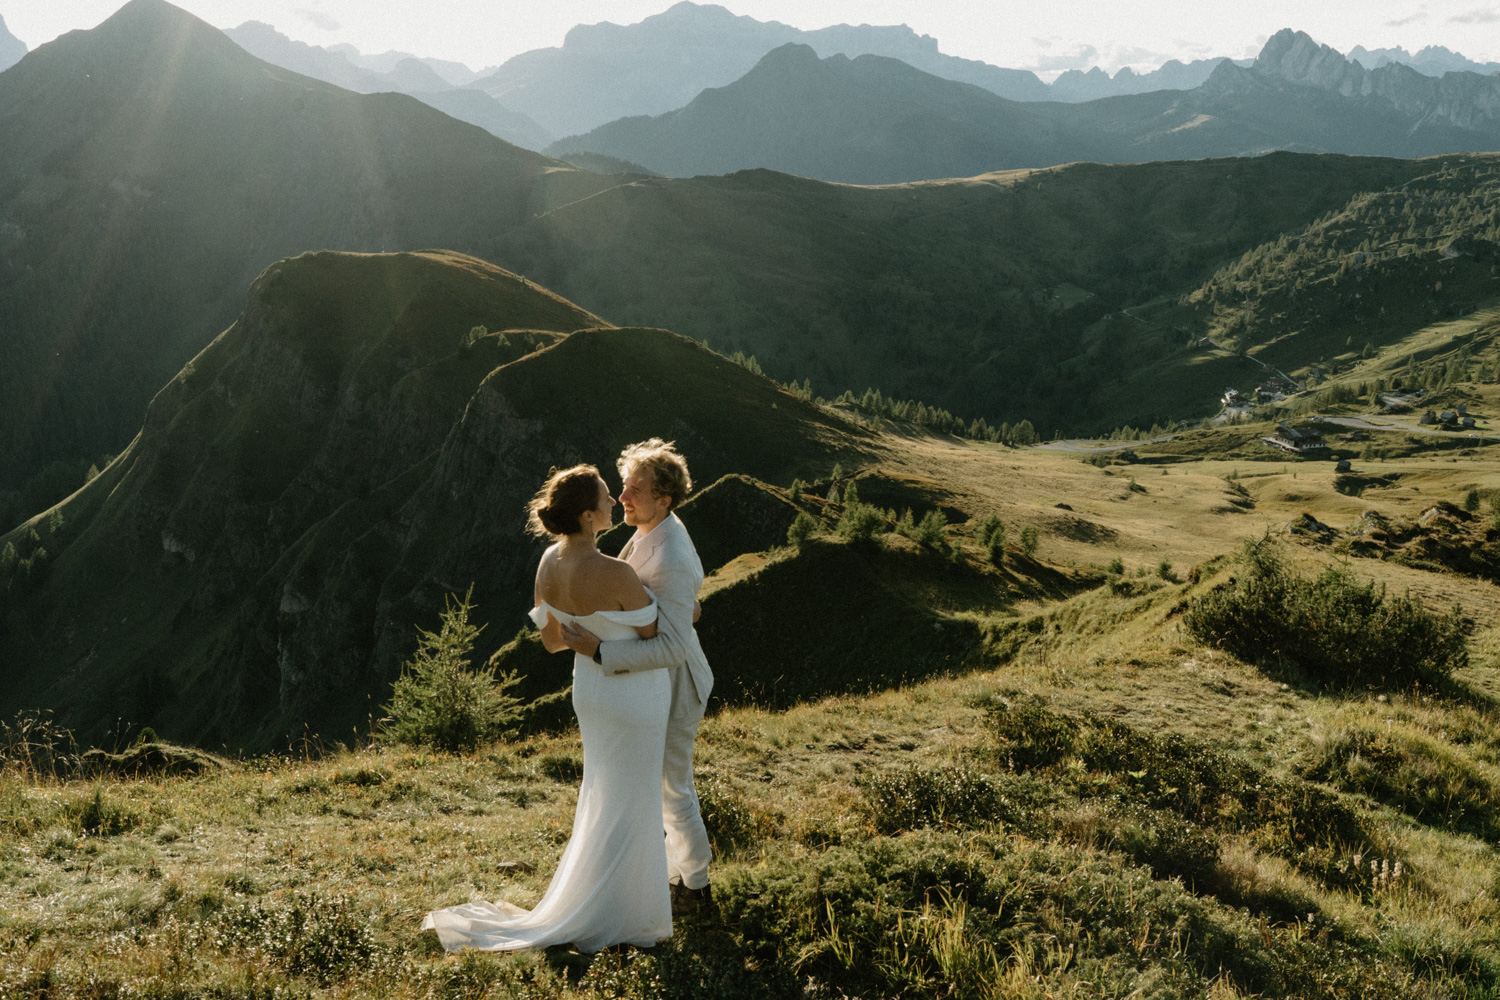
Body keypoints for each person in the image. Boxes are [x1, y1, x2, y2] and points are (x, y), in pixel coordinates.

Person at [422, 464, 671, 953]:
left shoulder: (547, 564)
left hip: (591, 692)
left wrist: (588, 639)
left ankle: (607, 901)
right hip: (633, 692)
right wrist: (686, 606)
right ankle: (621, 914)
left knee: (604, 792)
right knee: (635, 796)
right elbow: (654, 634)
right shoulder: (617, 572)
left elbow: (553, 644)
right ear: (586, 516)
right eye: (605, 496)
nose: (614, 501)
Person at [559, 438, 715, 916]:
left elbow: (670, 646)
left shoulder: (670, 552)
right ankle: (672, 879)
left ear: (663, 499)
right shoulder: (649, 532)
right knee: (657, 782)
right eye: (623, 487)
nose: (621, 498)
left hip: (677, 682)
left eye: (634, 490)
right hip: (651, 684)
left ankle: (698, 890)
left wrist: (602, 649)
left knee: (672, 784)